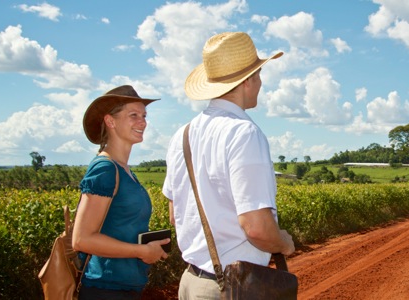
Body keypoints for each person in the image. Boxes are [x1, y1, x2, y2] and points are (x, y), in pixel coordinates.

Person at [162, 32, 296, 299]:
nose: (260, 83)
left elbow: (174, 215)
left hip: (190, 282)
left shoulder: (182, 135)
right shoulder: (244, 133)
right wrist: (284, 243)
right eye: (259, 74)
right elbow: (256, 228)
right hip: (229, 288)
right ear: (249, 79)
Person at [73, 85, 169, 299]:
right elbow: (82, 239)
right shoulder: (105, 169)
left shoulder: (124, 170)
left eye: (144, 116)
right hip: (105, 289)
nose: (142, 122)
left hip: (124, 288)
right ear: (110, 121)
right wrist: (142, 251)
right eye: (133, 115)